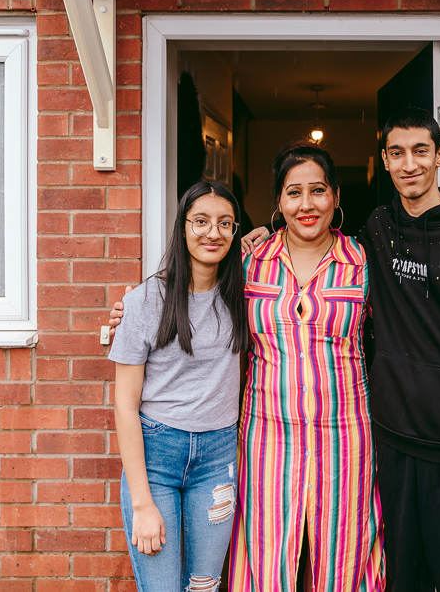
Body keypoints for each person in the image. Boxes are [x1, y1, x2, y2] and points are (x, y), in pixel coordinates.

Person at [243, 108, 440, 592]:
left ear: (439, 155)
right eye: (397, 153)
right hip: (391, 444)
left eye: (420, 151)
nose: (409, 163)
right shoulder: (376, 231)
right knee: (400, 580)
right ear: (385, 161)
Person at [110, 143, 385, 592]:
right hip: (265, 440)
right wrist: (129, 310)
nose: (306, 203)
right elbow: (186, 284)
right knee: (263, 561)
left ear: (335, 196)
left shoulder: (365, 263)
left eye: (318, 190)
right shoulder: (247, 264)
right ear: (278, 201)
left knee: (346, 560)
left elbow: (417, 315)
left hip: (345, 438)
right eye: (293, 192)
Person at [109, 181, 247, 592]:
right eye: (200, 221)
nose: (213, 233)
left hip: (217, 458)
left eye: (225, 223)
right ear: (182, 227)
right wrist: (142, 502)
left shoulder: (245, 293)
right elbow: (125, 404)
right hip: (156, 459)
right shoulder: (145, 300)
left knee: (204, 585)